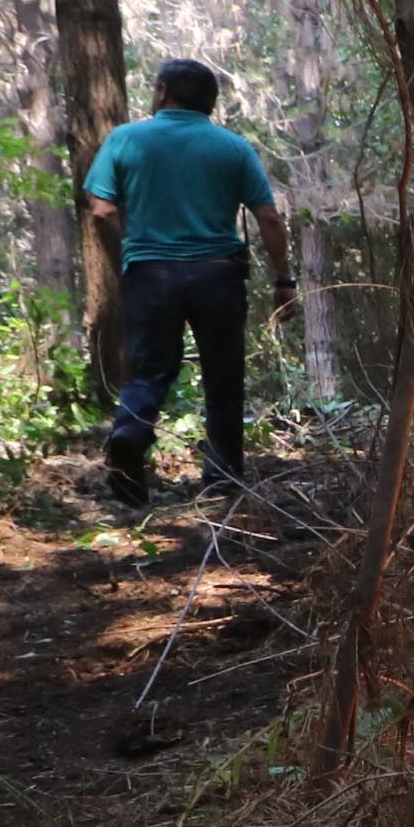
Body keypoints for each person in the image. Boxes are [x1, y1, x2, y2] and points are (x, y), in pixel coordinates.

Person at [83, 58, 295, 501]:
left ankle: (129, 443)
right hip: (217, 275)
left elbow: (101, 209)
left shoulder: (125, 139)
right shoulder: (233, 148)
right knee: (223, 376)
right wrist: (283, 279)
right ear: (210, 103)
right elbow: (269, 219)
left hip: (150, 272)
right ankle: (221, 480)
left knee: (149, 371)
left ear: (161, 91)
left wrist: (125, 256)